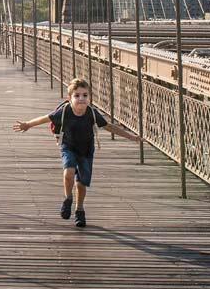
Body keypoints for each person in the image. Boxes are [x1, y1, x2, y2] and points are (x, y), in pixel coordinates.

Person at [11, 78, 140, 227]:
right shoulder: (65, 111)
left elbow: (108, 126)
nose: (81, 99)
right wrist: (28, 124)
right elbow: (46, 118)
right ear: (69, 98)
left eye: (85, 95)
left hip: (86, 150)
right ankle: (68, 199)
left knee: (81, 184)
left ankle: (79, 210)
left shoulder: (92, 113)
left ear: (89, 97)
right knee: (69, 172)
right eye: (77, 95)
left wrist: (131, 137)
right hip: (68, 146)